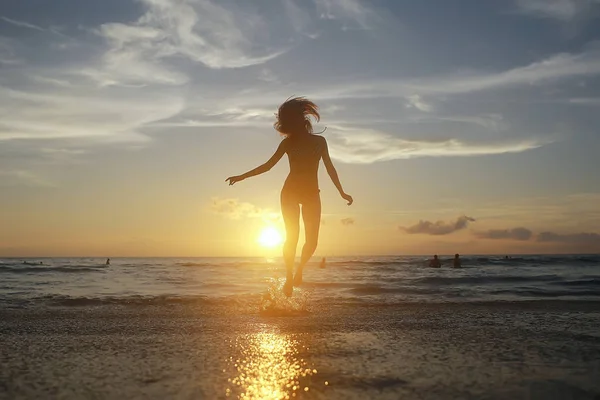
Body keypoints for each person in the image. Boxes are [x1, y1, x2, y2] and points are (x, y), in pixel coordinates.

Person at [226, 97, 353, 296]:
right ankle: (288, 275)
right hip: (290, 192)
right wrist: (241, 177)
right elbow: (268, 166)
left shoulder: (320, 142)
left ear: (301, 121)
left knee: (312, 242)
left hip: (312, 194)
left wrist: (341, 192)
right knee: (291, 238)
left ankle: (299, 269)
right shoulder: (287, 144)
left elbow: (330, 168)